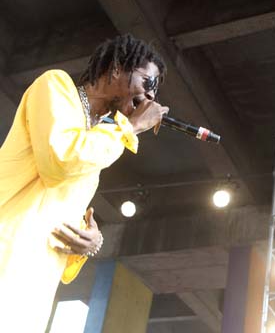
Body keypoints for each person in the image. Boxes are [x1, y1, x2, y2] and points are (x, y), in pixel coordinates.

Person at [0, 34, 170, 332]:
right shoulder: (55, 86)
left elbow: (56, 206)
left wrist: (88, 243)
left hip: (33, 286)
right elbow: (60, 163)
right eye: (148, 82)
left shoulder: (96, 135)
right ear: (117, 67)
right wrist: (130, 128)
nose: (151, 97)